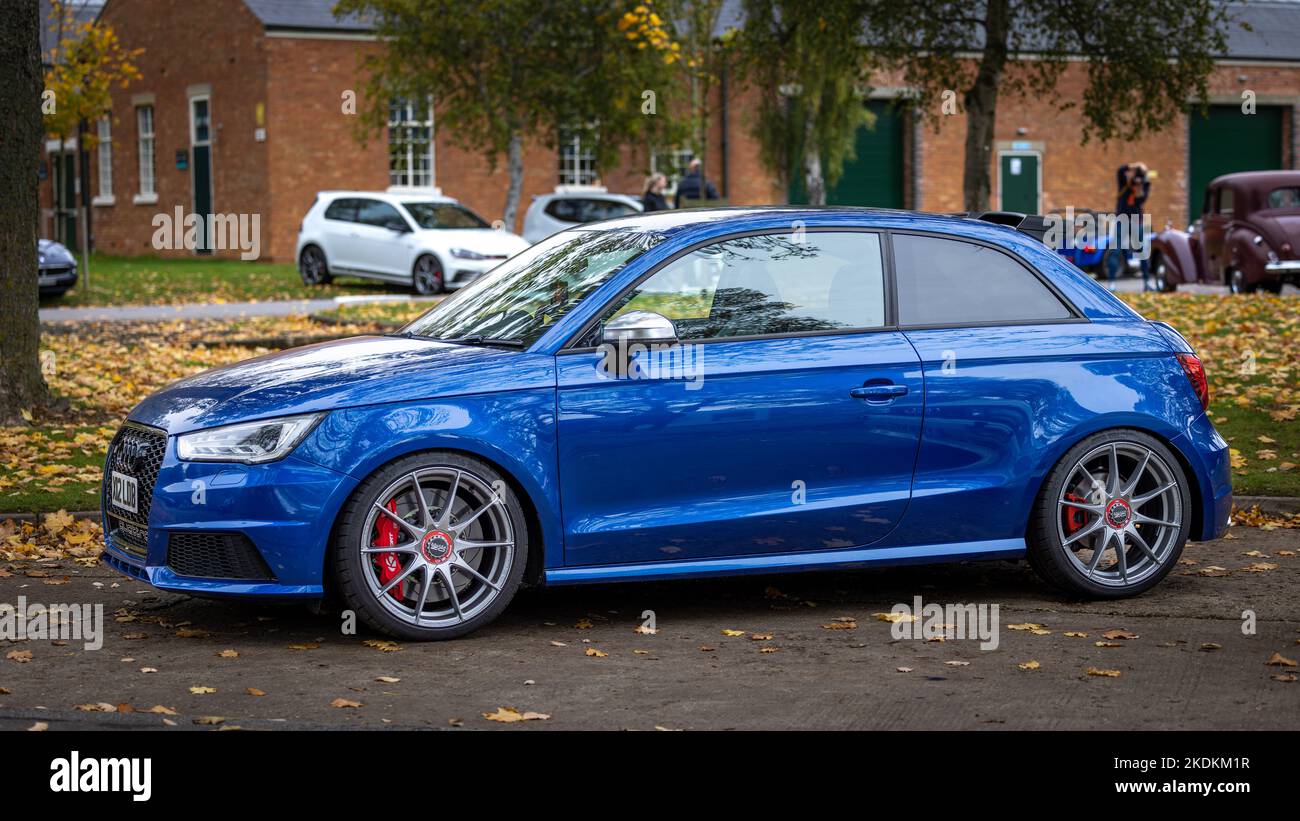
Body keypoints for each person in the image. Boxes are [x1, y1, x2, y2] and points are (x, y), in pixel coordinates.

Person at [1115, 162, 1152, 291]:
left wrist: (1141, 183)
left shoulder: (1144, 186)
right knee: (1116, 249)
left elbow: (1141, 199)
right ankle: (1111, 284)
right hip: (1122, 220)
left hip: (1136, 221)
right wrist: (1135, 166)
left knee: (1142, 252)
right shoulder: (1124, 184)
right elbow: (1120, 170)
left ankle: (1146, 283)